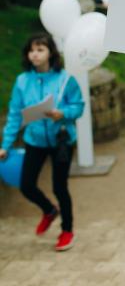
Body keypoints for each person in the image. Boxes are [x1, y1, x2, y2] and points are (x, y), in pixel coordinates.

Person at [0, 34, 84, 252]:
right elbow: (14, 115)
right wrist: (5, 146)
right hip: (34, 140)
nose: (35, 54)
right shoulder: (22, 81)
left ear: (50, 53)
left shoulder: (66, 80)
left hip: (61, 141)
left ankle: (67, 231)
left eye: (40, 49)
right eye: (32, 50)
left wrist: (62, 113)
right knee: (26, 185)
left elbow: (79, 107)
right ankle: (49, 210)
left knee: (59, 187)